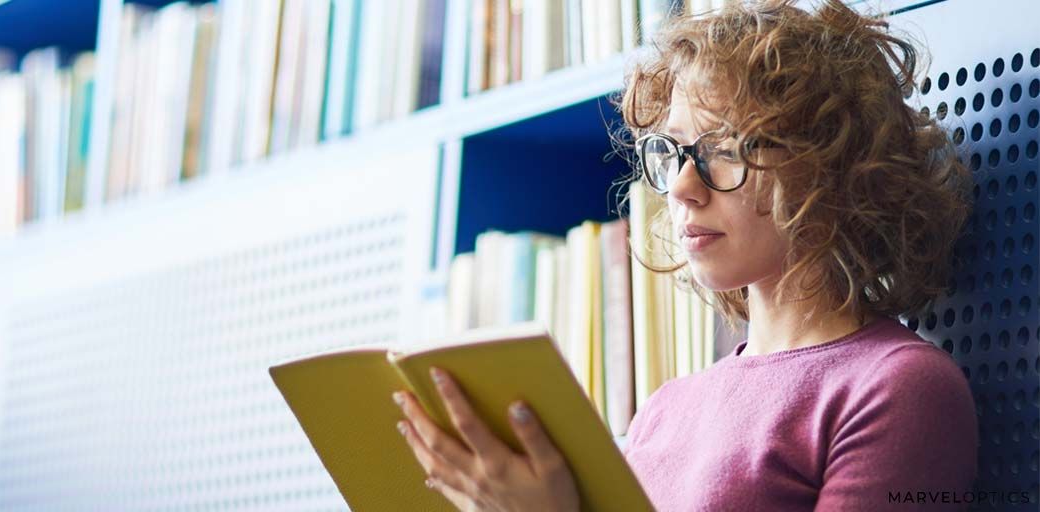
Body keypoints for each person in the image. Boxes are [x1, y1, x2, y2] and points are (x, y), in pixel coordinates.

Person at [391, 0, 978, 510]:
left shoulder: (902, 388)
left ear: (831, 165)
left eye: (721, 148)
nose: (679, 187)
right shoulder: (664, 410)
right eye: (670, 153)